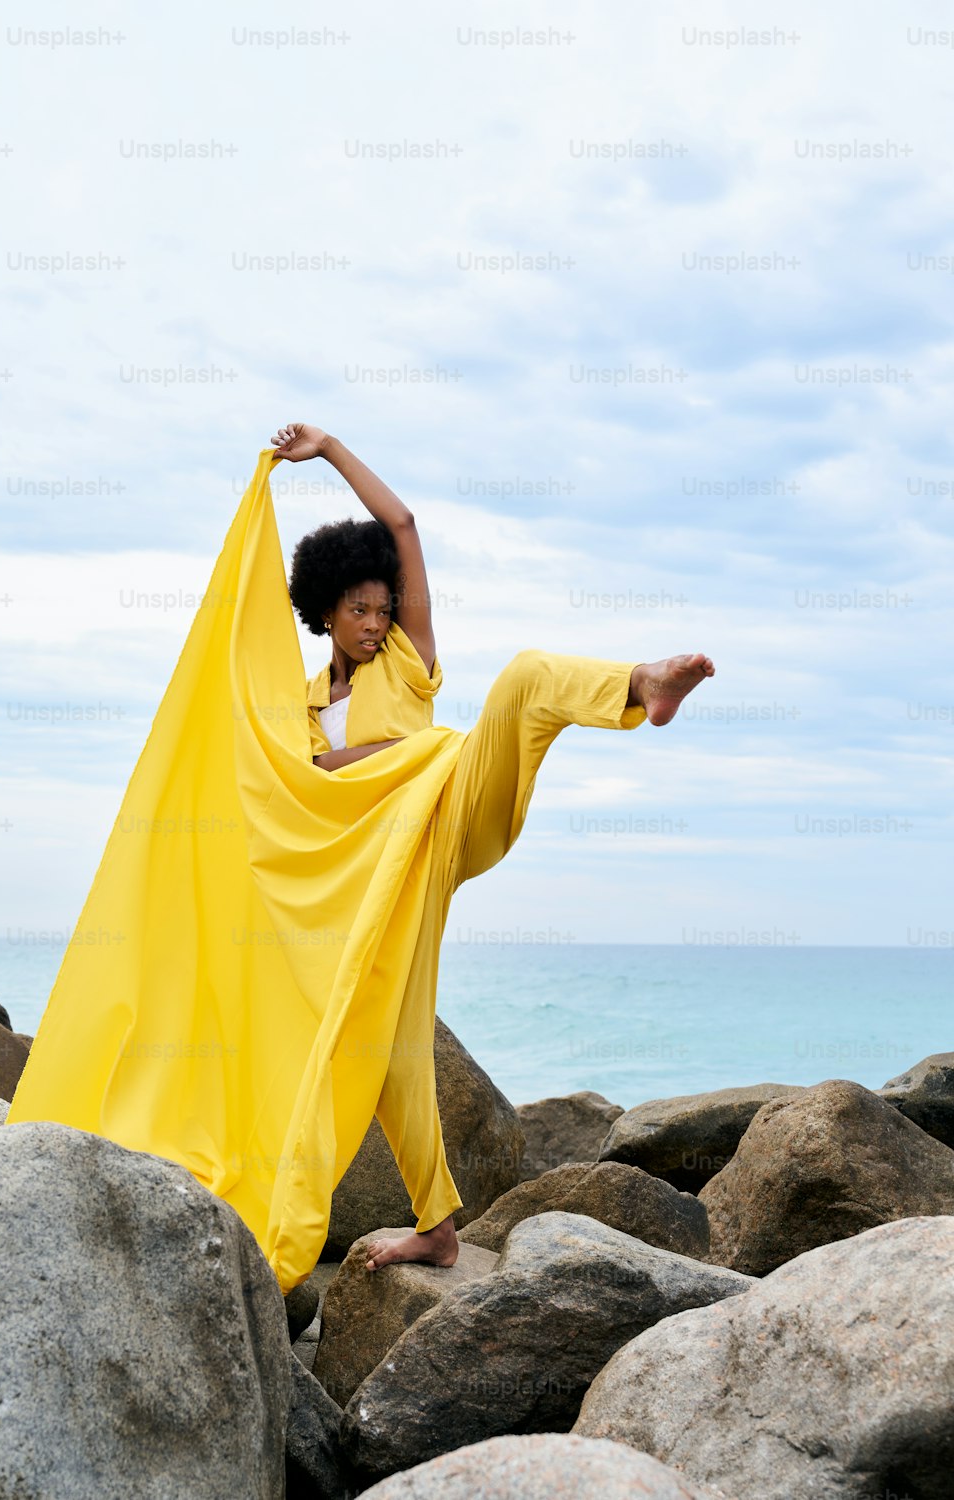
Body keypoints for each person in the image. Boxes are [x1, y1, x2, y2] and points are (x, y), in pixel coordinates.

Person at [269, 422, 715, 1272]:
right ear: (323, 611)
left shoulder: (408, 659)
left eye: (380, 607)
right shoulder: (297, 703)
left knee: (524, 677)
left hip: (456, 808)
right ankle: (437, 1227)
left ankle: (640, 685)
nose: (372, 622)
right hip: (388, 877)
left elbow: (401, 527)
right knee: (391, 1050)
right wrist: (364, 759)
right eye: (355, 610)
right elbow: (309, 776)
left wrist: (328, 451)